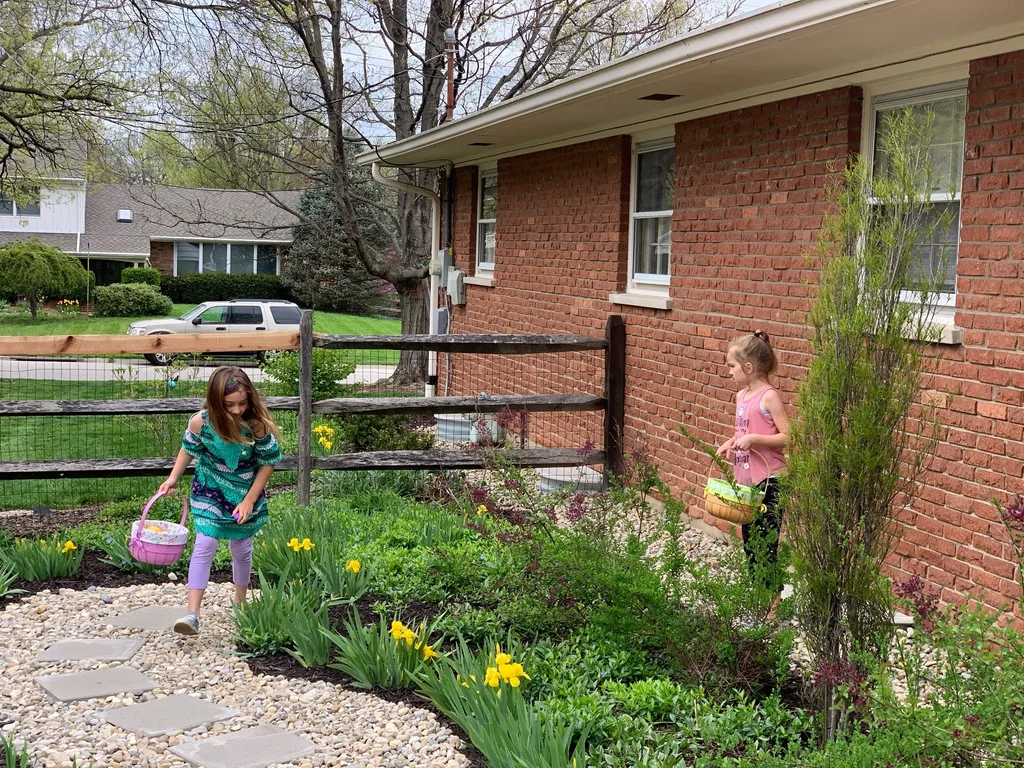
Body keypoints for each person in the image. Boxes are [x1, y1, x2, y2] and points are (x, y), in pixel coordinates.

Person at [159, 366, 282, 636]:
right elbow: (188, 448)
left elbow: (268, 462)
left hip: (245, 492)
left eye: (242, 403)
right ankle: (192, 614)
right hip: (210, 489)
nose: (237, 410)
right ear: (216, 402)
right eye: (229, 405)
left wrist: (249, 500)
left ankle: (240, 602)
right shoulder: (201, 423)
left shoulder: (256, 425)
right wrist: (173, 478)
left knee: (241, 547)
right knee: (206, 542)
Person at [716, 330, 790, 594]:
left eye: (732, 366)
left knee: (766, 545)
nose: (729, 372)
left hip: (769, 482)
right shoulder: (741, 396)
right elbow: (743, 431)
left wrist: (753, 439)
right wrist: (731, 441)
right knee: (750, 544)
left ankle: (772, 607)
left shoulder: (769, 396)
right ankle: (759, 600)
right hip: (747, 484)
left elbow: (788, 437)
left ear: (748, 367)